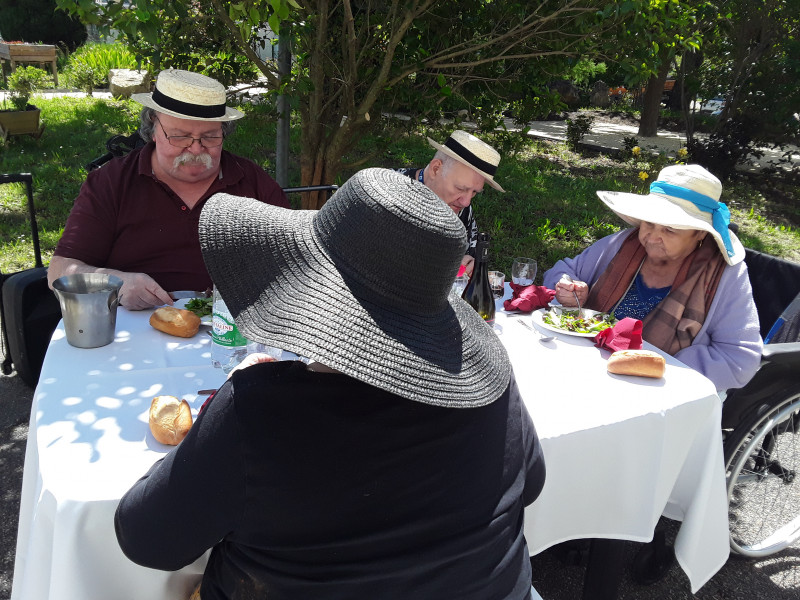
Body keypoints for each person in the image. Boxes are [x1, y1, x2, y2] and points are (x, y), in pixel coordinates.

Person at [114, 168, 546, 600]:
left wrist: (220, 422)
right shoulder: (491, 384)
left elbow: (146, 538)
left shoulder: (260, 410)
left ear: (309, 286)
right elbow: (531, 483)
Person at [47, 69, 289, 310]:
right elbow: (60, 272)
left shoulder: (252, 183)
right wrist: (117, 285)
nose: (195, 150)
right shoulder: (113, 182)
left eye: (210, 137)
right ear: (153, 126)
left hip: (230, 331)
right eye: (180, 137)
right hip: (133, 328)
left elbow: (295, 264)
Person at [543, 164, 762, 392]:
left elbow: (739, 359)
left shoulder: (725, 275)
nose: (652, 236)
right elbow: (562, 271)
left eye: (669, 229)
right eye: (649, 223)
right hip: (586, 369)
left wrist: (664, 365)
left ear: (700, 233)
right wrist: (568, 290)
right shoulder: (625, 243)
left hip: (664, 391)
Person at [397, 130, 504, 276]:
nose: (466, 202)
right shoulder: (388, 192)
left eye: (474, 192)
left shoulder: (461, 207)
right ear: (436, 169)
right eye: (460, 188)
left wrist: (470, 262)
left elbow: (468, 253)